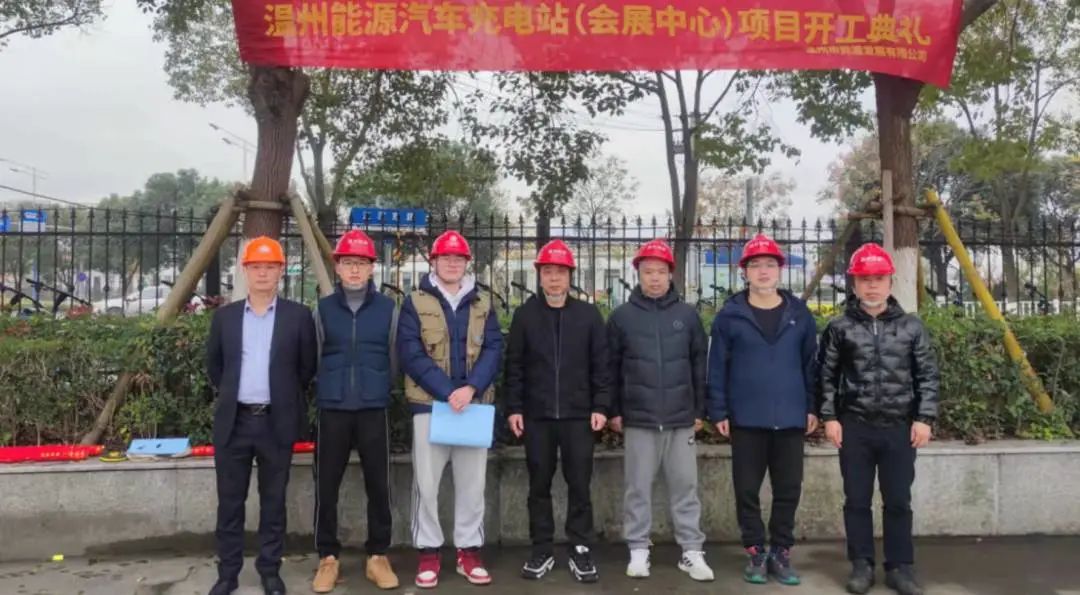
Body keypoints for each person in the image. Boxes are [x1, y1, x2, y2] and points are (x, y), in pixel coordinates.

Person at [818, 243, 939, 595]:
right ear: (854, 284)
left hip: (899, 427)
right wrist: (829, 416)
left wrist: (924, 418)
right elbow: (825, 376)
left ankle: (900, 566)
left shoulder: (912, 327)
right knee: (856, 500)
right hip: (854, 426)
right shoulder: (839, 327)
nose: (872, 286)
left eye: (879, 279)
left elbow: (927, 375)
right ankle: (862, 564)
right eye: (864, 279)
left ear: (890, 282)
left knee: (898, 499)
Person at [205, 236, 317, 595]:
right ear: (245, 271)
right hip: (234, 422)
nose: (263, 273)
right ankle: (228, 573)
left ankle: (270, 570)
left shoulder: (298, 316)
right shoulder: (225, 318)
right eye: (257, 267)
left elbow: (305, 368)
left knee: (273, 502)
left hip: (275, 422)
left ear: (281, 271)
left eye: (270, 267)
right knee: (230, 503)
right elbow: (215, 367)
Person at [707, 233, 818, 586]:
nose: (763, 271)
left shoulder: (800, 315)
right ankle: (756, 551)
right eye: (755, 265)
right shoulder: (729, 316)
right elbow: (716, 367)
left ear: (780, 270)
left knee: (788, 489)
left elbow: (811, 366)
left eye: (770, 264)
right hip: (746, 418)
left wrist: (812, 406)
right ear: (745, 272)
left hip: (790, 417)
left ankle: (781, 552)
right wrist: (719, 411)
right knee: (746, 490)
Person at [398, 230, 504, 589]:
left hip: (473, 406)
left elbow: (493, 348)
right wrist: (448, 392)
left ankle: (468, 551)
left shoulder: (484, 302)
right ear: (434, 261)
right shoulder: (414, 301)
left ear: (466, 263)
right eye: (446, 257)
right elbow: (410, 353)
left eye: (459, 258)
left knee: (473, 484)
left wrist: (471, 388)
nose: (452, 263)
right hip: (430, 406)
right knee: (426, 484)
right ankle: (428, 553)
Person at [607, 239, 714, 583]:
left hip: (681, 418)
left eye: (660, 271)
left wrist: (699, 410)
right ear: (638, 275)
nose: (654, 278)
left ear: (671, 274)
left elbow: (699, 365)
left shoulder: (687, 316)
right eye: (647, 272)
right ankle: (638, 548)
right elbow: (611, 368)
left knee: (685, 487)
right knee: (637, 487)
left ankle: (692, 550)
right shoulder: (621, 318)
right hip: (639, 418)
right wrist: (614, 410)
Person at [504, 240, 610, 583]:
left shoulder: (588, 315)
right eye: (548, 272)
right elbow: (514, 366)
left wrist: (601, 405)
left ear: (570, 276)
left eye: (560, 272)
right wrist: (514, 408)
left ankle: (580, 548)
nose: (554, 278)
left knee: (579, 484)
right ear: (539, 276)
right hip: (537, 416)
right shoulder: (525, 316)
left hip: (579, 416)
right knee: (539, 485)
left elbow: (602, 366)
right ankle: (542, 548)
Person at [311, 230, 399, 593]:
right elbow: (315, 356)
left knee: (379, 484)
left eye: (361, 263)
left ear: (371, 268)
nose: (354, 270)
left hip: (372, 407)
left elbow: (394, 358)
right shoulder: (323, 309)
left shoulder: (388, 309)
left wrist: (378, 385)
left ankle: (378, 555)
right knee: (326, 486)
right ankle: (327, 558)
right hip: (332, 407)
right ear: (338, 267)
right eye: (348, 263)